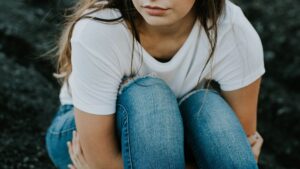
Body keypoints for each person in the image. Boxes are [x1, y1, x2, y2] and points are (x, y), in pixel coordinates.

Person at [45, 0, 265, 168]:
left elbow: (240, 145)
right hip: (86, 134)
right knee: (150, 95)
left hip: (175, 134)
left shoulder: (232, 30)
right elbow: (101, 161)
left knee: (208, 106)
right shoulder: (100, 27)